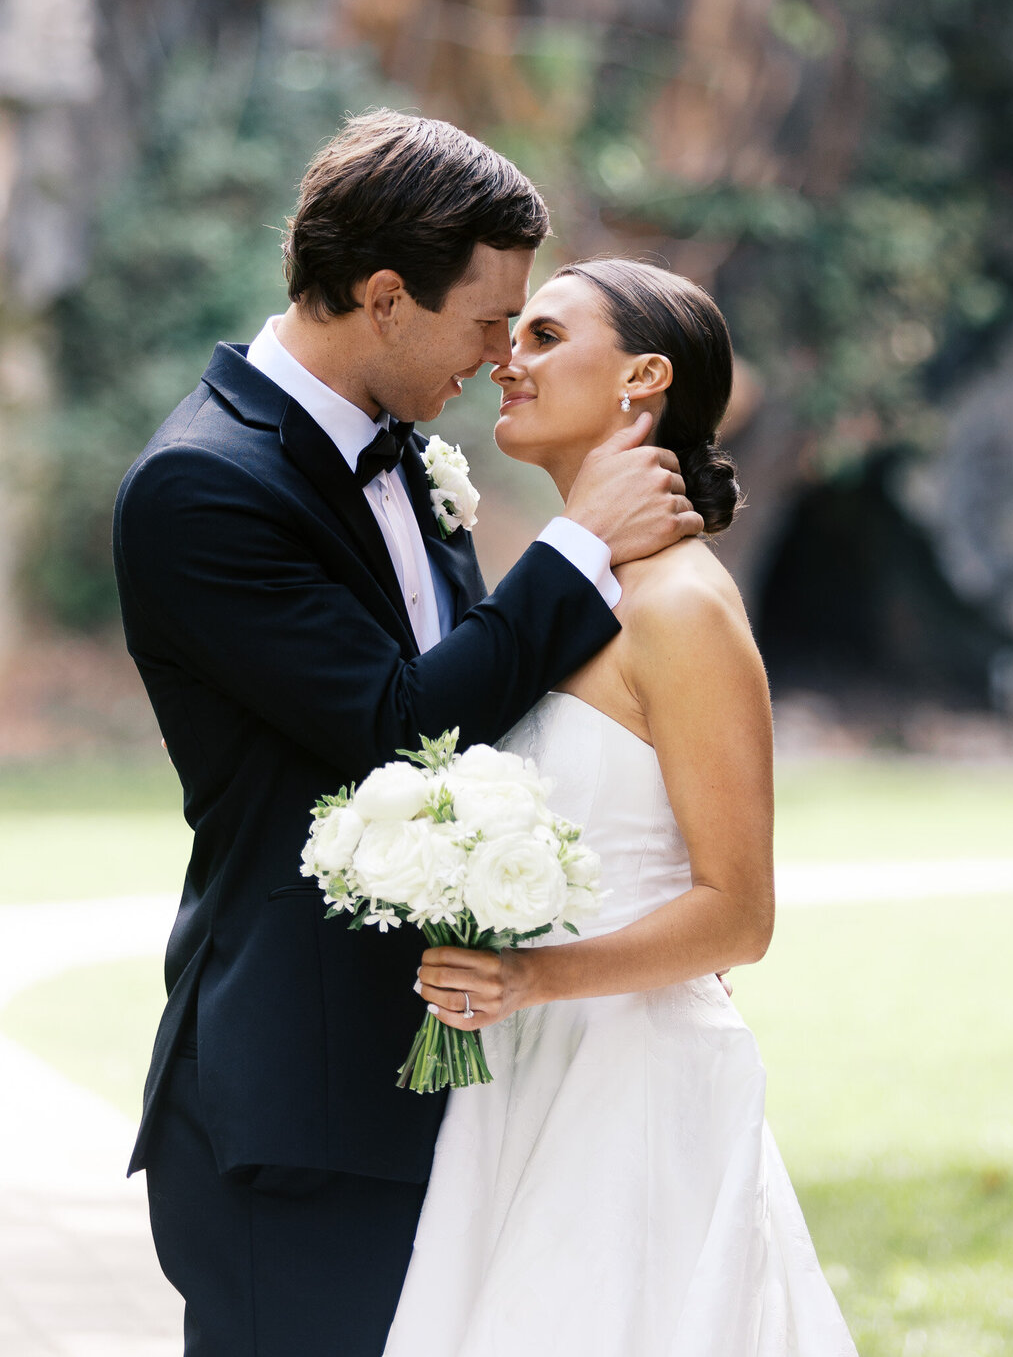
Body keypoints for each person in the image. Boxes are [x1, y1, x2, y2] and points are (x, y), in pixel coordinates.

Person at [112, 115, 702, 1357]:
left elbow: (482, 700)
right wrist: (580, 542)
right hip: (304, 1094)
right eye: (489, 321)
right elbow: (398, 725)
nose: (501, 357)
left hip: (450, 1083)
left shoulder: (412, 459)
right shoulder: (205, 486)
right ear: (386, 298)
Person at [388, 258, 858, 1356]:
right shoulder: (573, 595)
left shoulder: (684, 607)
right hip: (525, 1071)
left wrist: (535, 976)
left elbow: (740, 915)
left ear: (643, 378)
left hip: (634, 1086)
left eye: (546, 337)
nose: (510, 359)